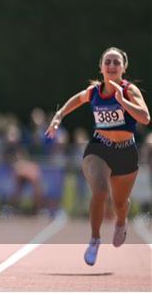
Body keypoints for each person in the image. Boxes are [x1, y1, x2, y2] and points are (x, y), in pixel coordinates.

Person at [45, 47, 150, 266]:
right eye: (108, 62)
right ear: (101, 67)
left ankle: (121, 221)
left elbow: (145, 117)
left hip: (126, 152)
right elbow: (76, 99)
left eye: (116, 63)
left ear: (124, 67)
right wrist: (58, 116)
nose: (112, 66)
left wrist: (123, 101)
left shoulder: (129, 90)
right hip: (99, 148)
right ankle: (95, 239)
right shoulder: (94, 91)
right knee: (101, 191)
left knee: (120, 203)